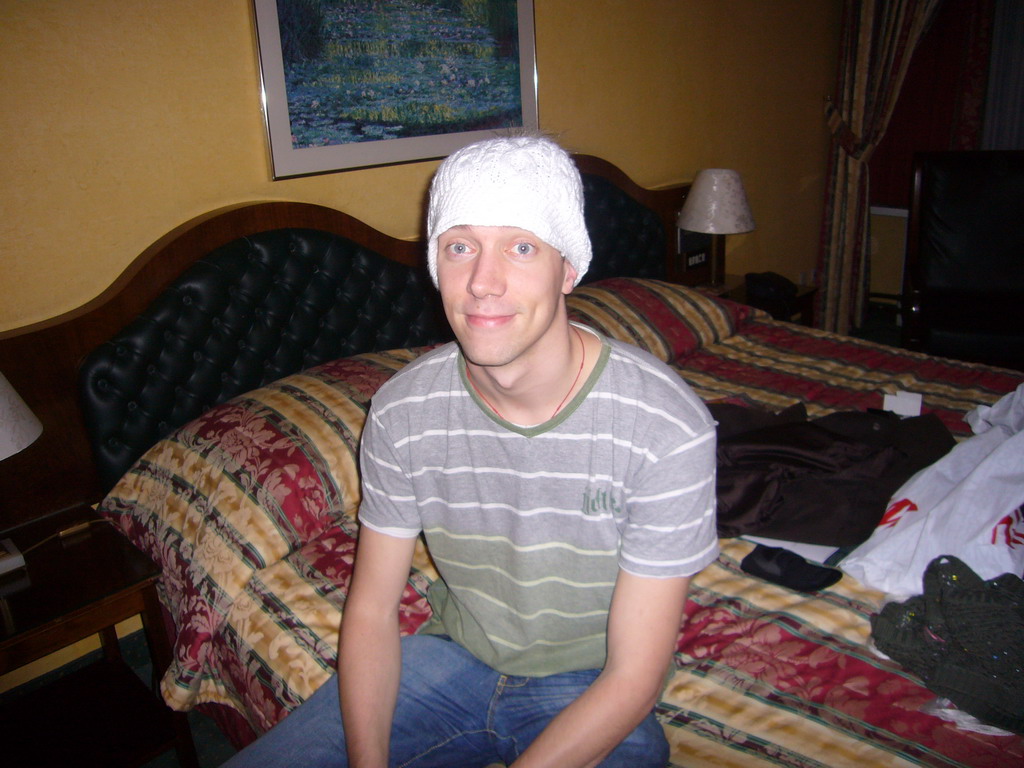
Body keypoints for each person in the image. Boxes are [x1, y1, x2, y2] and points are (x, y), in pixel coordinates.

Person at [224, 134, 718, 768]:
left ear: (568, 268)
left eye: (520, 247)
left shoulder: (664, 426)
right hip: (450, 658)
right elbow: (372, 611)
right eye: (460, 247)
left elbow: (634, 677)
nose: (484, 283)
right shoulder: (403, 412)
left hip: (591, 680)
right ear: (435, 266)